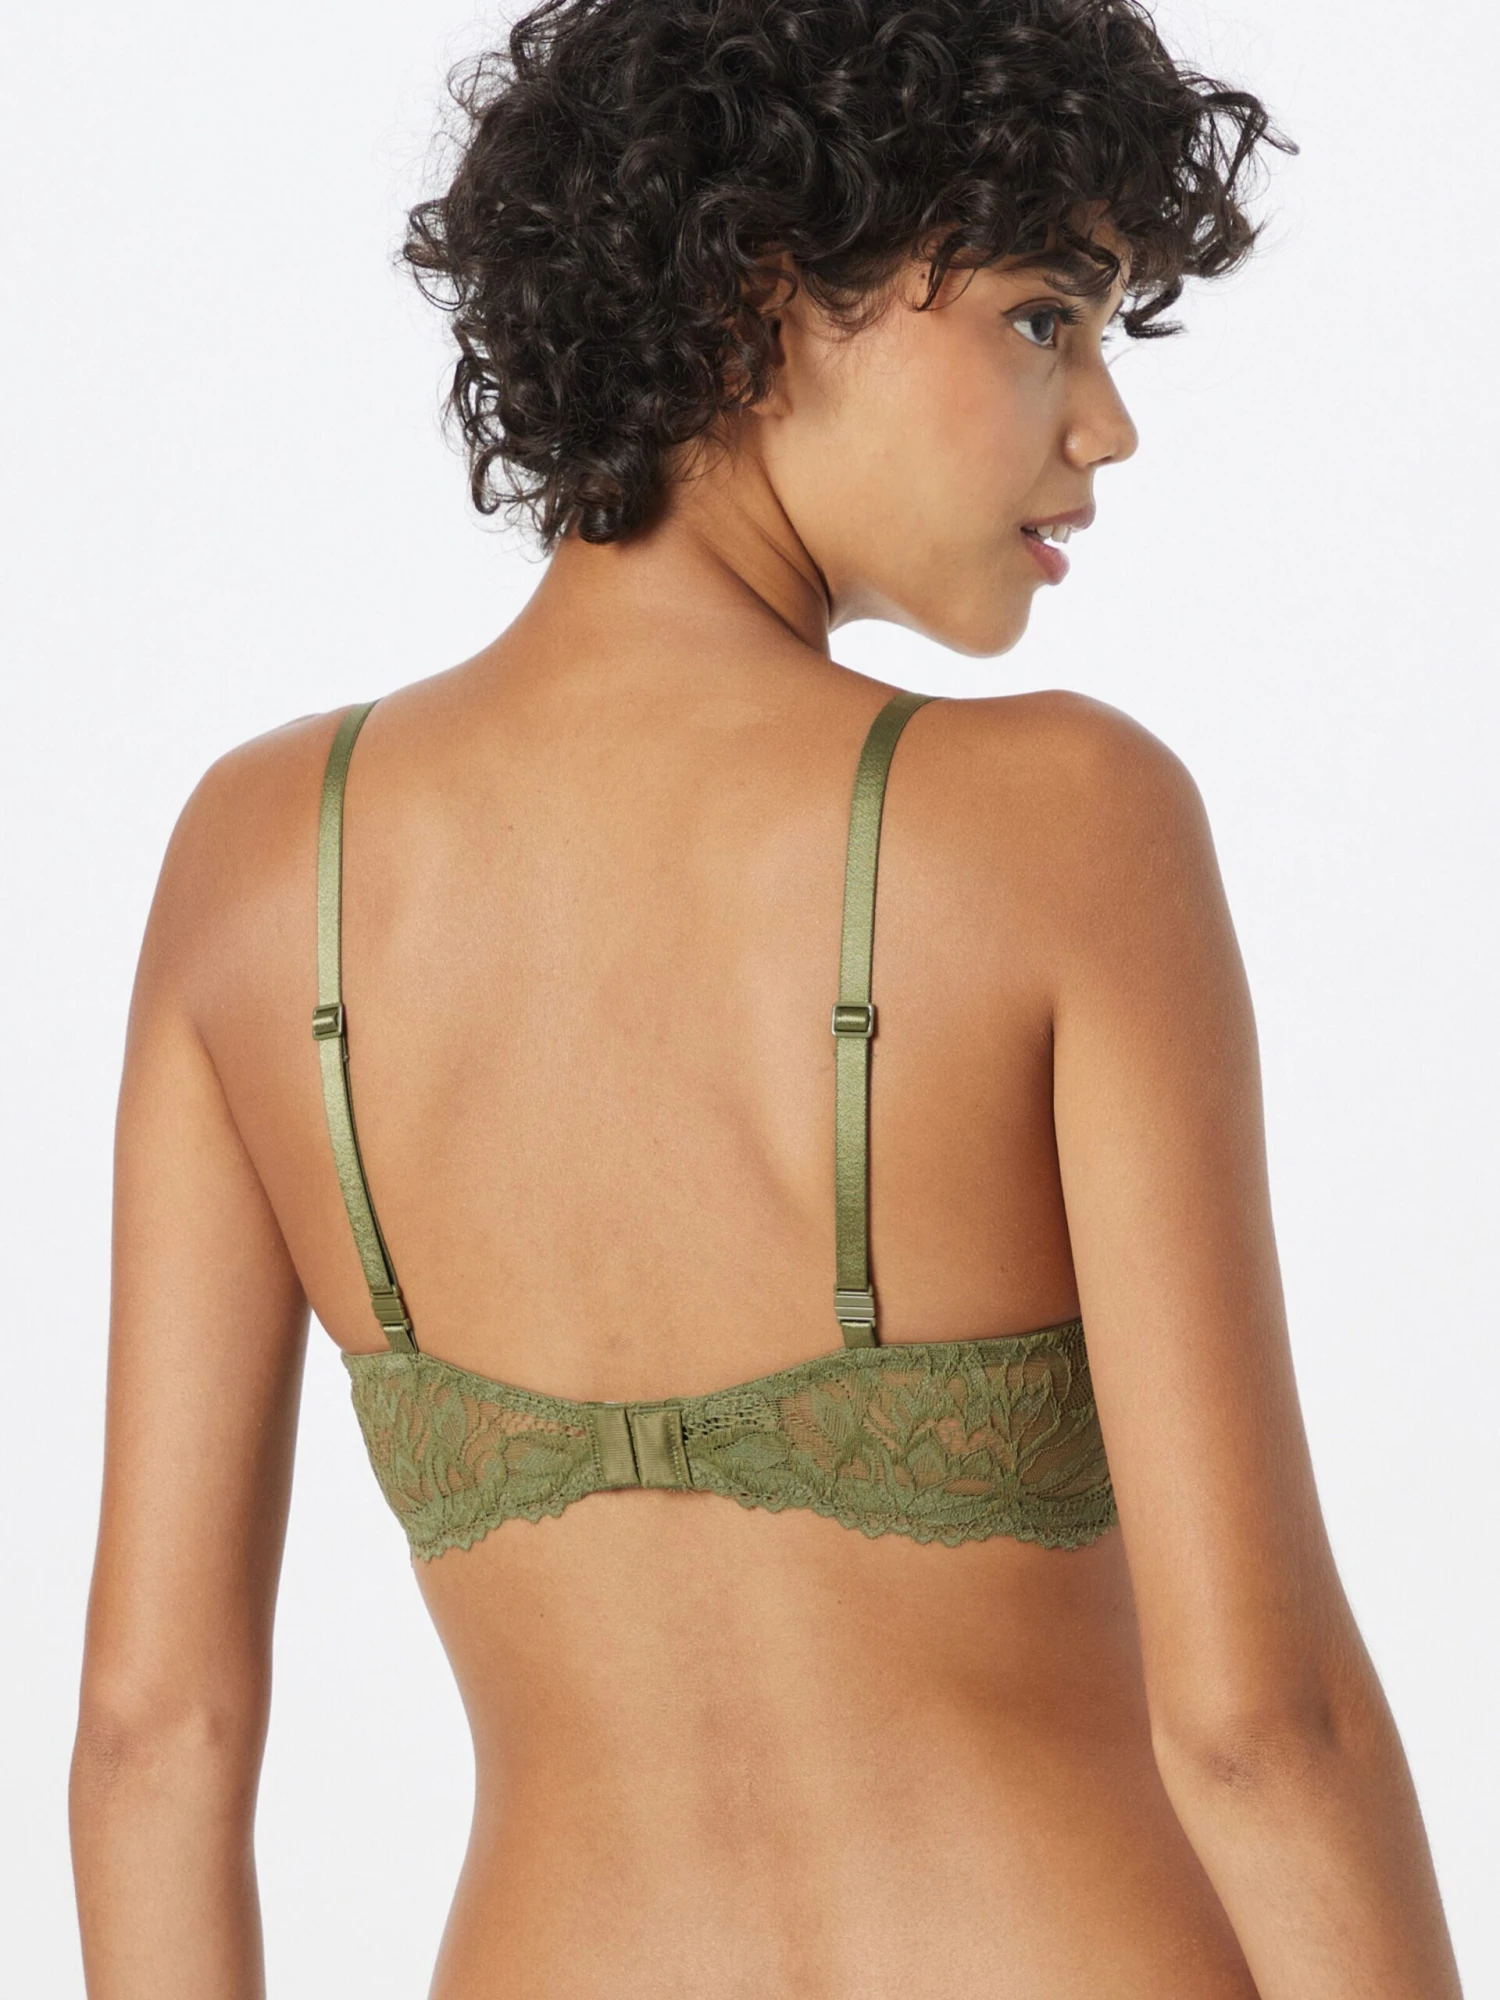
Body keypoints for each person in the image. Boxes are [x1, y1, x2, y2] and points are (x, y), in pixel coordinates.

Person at [70, 1, 1465, 1994]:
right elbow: (1262, 1728)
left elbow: (156, 1738)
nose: (1106, 424)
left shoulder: (258, 862)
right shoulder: (1064, 825)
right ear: (760, 292)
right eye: (1042, 318)